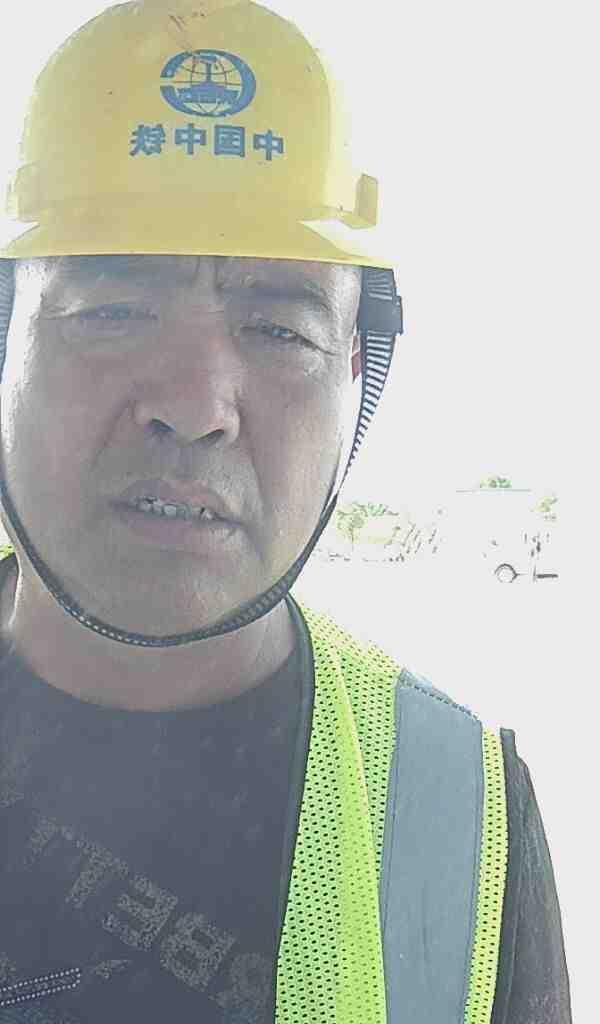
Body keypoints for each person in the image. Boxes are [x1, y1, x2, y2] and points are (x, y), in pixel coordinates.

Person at [0, 1, 571, 1022]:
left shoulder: (456, 810)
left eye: (279, 330)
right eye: (111, 311)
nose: (195, 405)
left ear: (357, 379)